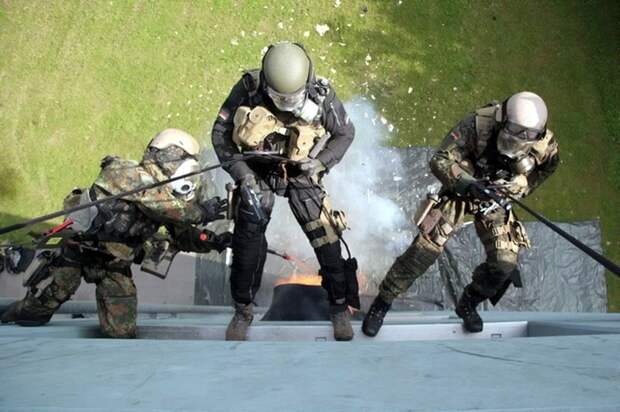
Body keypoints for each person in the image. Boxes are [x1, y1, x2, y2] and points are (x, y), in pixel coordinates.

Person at [362, 91, 560, 336]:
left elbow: (548, 167)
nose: (513, 146)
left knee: (504, 263)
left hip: (495, 197)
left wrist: (520, 187)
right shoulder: (477, 125)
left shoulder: (543, 144)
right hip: (461, 190)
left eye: (522, 141)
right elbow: (440, 159)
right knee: (424, 250)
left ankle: (468, 303)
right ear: (501, 121)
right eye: (510, 137)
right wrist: (467, 184)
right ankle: (382, 302)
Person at [1, 129, 228, 338]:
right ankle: (8, 313)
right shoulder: (124, 172)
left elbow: (182, 236)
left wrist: (218, 241)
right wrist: (200, 212)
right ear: (169, 156)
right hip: (76, 251)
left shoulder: (171, 200)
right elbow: (159, 203)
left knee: (121, 332)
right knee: (34, 313)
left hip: (113, 264)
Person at [211, 42, 358, 341]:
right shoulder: (248, 89)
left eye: (292, 98)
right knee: (247, 241)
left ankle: (339, 307)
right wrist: (242, 174)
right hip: (257, 171)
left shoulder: (321, 95)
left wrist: (320, 163)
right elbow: (220, 134)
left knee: (327, 237)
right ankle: (243, 310)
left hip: (301, 171)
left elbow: (345, 133)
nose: (286, 104)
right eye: (279, 98)